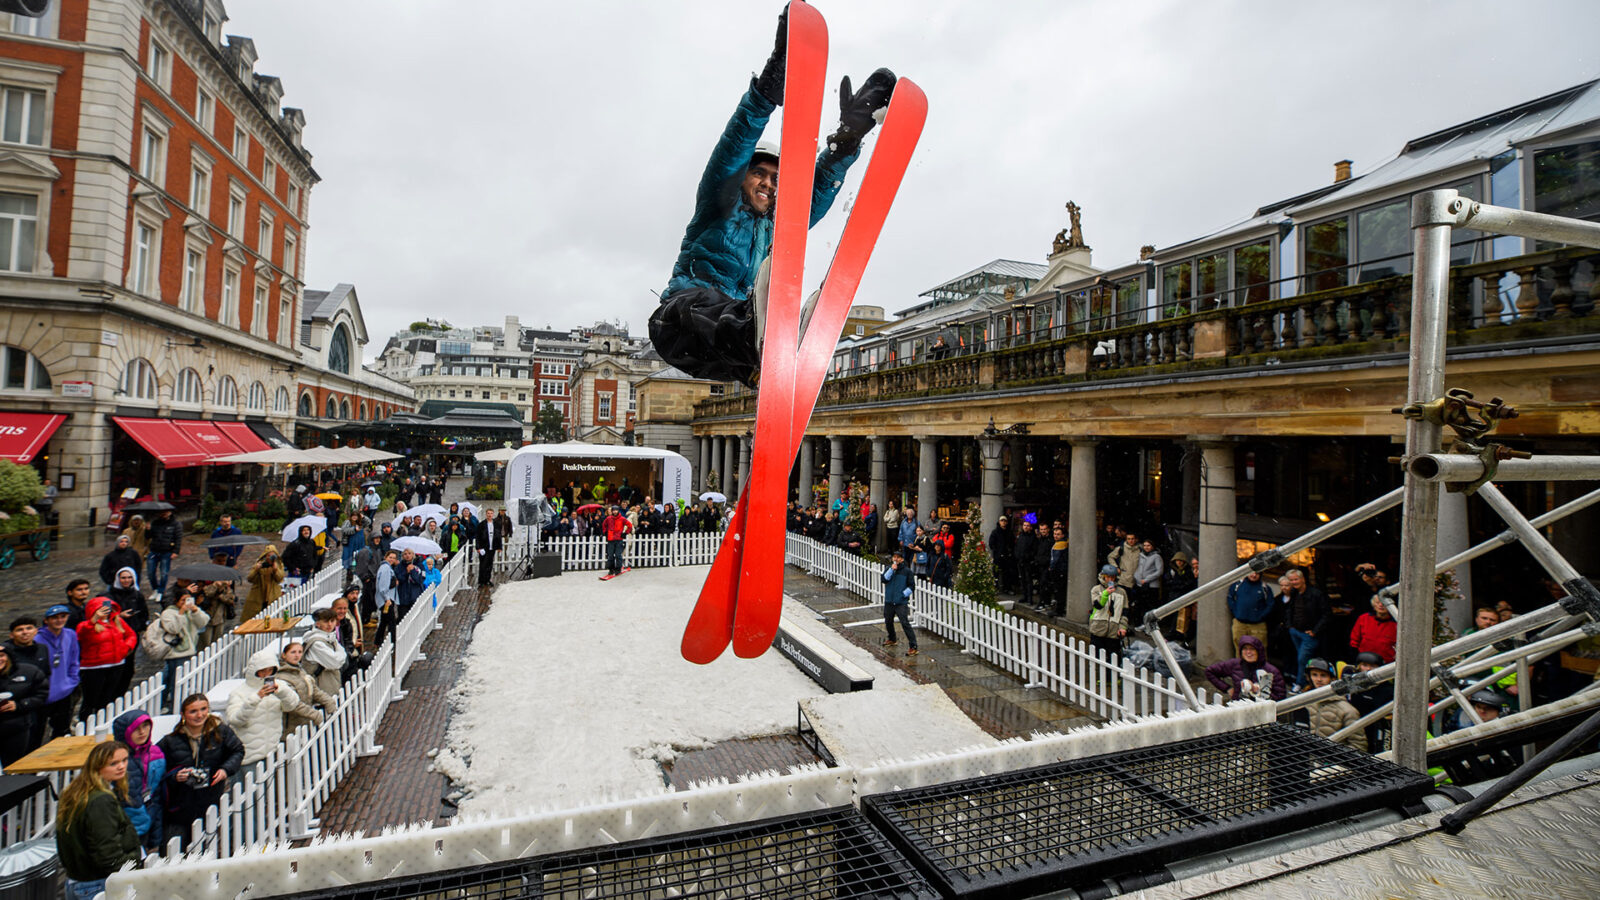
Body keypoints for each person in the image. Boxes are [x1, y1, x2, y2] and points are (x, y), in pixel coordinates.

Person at [649, 5, 892, 387]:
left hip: (728, 356)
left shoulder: (782, 225)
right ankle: (761, 332)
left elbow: (816, 188)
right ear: (744, 177)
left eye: (775, 179)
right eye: (759, 174)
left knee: (745, 341)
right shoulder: (719, 203)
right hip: (679, 328)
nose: (767, 184)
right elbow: (732, 151)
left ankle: (778, 355)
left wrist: (849, 138)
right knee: (706, 308)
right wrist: (766, 90)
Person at [55, 740, 142, 900]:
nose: (121, 766)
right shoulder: (100, 801)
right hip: (97, 884)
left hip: (76, 881)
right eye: (113, 763)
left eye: (124, 760)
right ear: (98, 767)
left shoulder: (75, 792)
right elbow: (106, 853)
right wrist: (134, 863)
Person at [157, 694, 243, 848]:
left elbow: (237, 751)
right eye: (193, 711)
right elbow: (159, 770)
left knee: (207, 843)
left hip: (211, 796)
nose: (200, 715)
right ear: (183, 715)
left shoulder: (220, 732)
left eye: (203, 709)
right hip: (180, 804)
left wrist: (225, 769)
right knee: (173, 846)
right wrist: (175, 776)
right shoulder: (171, 740)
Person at [226, 647, 301, 776]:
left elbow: (291, 705)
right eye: (262, 671)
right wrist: (256, 698)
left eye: (270, 670)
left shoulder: (279, 685)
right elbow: (235, 720)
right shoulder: (238, 693)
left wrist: (281, 692)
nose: (267, 674)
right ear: (254, 671)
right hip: (249, 756)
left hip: (272, 752)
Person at [76, 596, 137, 721]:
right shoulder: (87, 625)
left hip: (116, 664)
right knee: (91, 699)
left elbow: (131, 634)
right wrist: (94, 620)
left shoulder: (116, 621)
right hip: (94, 667)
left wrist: (126, 648)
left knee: (108, 697)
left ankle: (104, 721)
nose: (106, 611)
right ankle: (85, 722)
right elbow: (81, 634)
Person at [110, 710, 166, 847]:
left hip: (150, 816)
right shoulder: (116, 761)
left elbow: (157, 794)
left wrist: (156, 836)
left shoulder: (156, 754)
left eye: (145, 726)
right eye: (136, 729)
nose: (142, 732)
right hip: (125, 823)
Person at [152, 585, 209, 712]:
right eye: (183, 600)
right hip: (176, 653)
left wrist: (195, 611)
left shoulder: (191, 611)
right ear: (176, 600)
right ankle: (174, 707)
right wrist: (181, 613)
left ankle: (171, 705)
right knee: (174, 683)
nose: (186, 603)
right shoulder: (168, 613)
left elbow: (203, 622)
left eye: (188, 599)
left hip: (190, 650)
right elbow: (174, 628)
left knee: (176, 681)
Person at [1281, 568, 1331, 689]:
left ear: (1303, 579)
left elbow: (1327, 614)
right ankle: (1308, 683)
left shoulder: (1316, 594)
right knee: (1301, 658)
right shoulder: (1294, 593)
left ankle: (1300, 684)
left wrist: (1315, 631)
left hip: (1309, 634)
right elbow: (1289, 610)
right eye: (1291, 580)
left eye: (1296, 579)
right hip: (1295, 631)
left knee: (1302, 659)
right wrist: (1289, 626)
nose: (1294, 582)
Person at [1302, 658, 1367, 752]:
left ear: (1332, 678)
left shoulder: (1348, 711)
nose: (1319, 679)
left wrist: (1337, 760)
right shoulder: (1303, 701)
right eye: (1314, 675)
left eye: (1323, 675)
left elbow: (1359, 746)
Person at [37, 604, 81, 739]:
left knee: (62, 729)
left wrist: (72, 680)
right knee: (37, 732)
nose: (59, 620)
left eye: (63, 616)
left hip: (63, 691)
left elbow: (74, 658)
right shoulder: (37, 639)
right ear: (46, 620)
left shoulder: (70, 634)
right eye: (54, 618)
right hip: (43, 694)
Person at [0, 643, 48, 765]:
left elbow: (41, 694)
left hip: (17, 727)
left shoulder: (29, 672)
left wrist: (19, 705)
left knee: (14, 764)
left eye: (1, 655)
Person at [274, 639, 332, 736]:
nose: (297, 655)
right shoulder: (281, 677)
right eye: (293, 652)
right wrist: (313, 714)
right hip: (289, 727)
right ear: (284, 655)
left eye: (300, 652)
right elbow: (292, 703)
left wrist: (328, 701)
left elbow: (314, 690)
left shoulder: (300, 671)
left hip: (304, 724)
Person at [1204, 635, 1287, 701]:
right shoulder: (1234, 664)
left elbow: (1281, 697)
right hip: (1239, 706)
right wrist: (1227, 689)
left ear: (1259, 651)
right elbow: (1209, 671)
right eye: (1245, 649)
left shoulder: (1271, 671)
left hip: (1262, 711)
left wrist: (1257, 691)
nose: (1248, 652)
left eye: (1252, 649)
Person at [302, 607, 351, 696]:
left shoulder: (330, 637)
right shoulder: (316, 643)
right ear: (317, 623)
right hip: (321, 687)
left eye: (332, 621)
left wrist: (340, 656)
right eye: (325, 621)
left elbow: (342, 654)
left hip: (331, 684)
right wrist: (340, 656)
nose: (329, 624)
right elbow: (335, 662)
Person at [1226, 570, 1276, 653]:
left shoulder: (1265, 588)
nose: (1254, 575)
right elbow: (1230, 598)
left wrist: (1261, 616)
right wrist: (1236, 612)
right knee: (1240, 650)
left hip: (1258, 626)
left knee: (1259, 651)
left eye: (1257, 573)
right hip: (1240, 624)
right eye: (1252, 573)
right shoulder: (1237, 585)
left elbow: (1270, 604)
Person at [1086, 565, 1129, 660]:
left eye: (1112, 577)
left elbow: (1125, 612)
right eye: (1108, 577)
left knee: (1113, 658)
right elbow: (1097, 605)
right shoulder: (1096, 589)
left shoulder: (1122, 592)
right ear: (1103, 576)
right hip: (1098, 628)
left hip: (1113, 631)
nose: (1110, 579)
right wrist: (1105, 594)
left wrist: (1122, 627)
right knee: (1096, 657)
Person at [880, 550, 918, 655]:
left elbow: (912, 586)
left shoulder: (907, 571)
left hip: (900, 602)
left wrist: (903, 595)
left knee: (905, 623)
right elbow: (884, 579)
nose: (896, 559)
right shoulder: (889, 569)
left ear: (902, 559)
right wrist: (891, 570)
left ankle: (913, 645)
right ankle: (892, 638)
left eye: (898, 557)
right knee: (888, 620)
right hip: (889, 601)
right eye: (894, 557)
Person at [1350, 595, 1398, 663]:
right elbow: (1354, 641)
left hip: (1386, 665)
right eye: (1377, 602)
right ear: (1373, 605)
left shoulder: (1397, 624)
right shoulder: (1364, 618)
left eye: (1384, 603)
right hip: (1364, 662)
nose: (1381, 605)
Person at [147, 507, 183, 597]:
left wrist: (176, 551)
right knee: (150, 572)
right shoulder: (155, 523)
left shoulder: (175, 524)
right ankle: (155, 589)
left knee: (164, 573)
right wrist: (147, 530)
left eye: (166, 512)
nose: (164, 513)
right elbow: (148, 537)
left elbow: (178, 538)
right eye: (162, 512)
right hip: (154, 550)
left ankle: (161, 591)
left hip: (167, 551)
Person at [243, 545, 285, 620]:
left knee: (272, 616)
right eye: (268, 555)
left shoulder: (278, 565)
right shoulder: (259, 564)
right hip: (259, 594)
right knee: (256, 617)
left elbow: (279, 579)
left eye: (272, 556)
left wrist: (275, 570)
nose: (270, 558)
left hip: (272, 594)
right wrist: (256, 570)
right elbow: (250, 578)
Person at [373, 550, 402, 647]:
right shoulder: (385, 568)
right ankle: (393, 641)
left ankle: (378, 641)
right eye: (390, 557)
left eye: (394, 558)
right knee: (391, 621)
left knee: (384, 621)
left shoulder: (387, 567)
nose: (392, 560)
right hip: (386, 600)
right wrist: (387, 599)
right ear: (386, 557)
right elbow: (383, 587)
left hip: (385, 599)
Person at [1014, 520, 1041, 608]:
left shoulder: (1033, 537)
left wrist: (1029, 558)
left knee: (1029, 580)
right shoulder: (1020, 536)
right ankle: (1024, 596)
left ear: (1030, 527)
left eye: (1027, 525)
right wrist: (1017, 556)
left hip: (1028, 562)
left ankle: (1030, 598)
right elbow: (1017, 547)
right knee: (1022, 579)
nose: (1025, 527)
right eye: (1024, 525)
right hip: (1020, 561)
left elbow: (1034, 550)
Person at [1044, 524, 1071, 615]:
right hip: (1061, 570)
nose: (1055, 536)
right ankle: (1060, 608)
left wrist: (1051, 568)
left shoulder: (1060, 544)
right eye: (1054, 534)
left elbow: (1054, 560)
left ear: (1063, 535)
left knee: (1059, 591)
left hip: (1059, 570)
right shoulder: (1064, 542)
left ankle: (1059, 610)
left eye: (1058, 534)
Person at [1131, 539, 1163, 615]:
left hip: (1152, 586)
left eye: (1148, 545)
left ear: (1152, 546)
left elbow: (1160, 571)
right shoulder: (1140, 555)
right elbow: (1138, 568)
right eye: (1144, 545)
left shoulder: (1157, 556)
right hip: (1141, 584)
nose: (1146, 547)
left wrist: (1147, 579)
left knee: (1151, 606)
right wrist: (1136, 577)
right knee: (1141, 605)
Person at [475, 507, 504, 589]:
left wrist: (499, 547)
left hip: (493, 547)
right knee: (483, 564)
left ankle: (487, 579)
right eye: (488, 513)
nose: (489, 515)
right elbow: (478, 537)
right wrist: (478, 547)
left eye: (491, 513)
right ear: (486, 514)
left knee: (490, 564)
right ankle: (481, 581)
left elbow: (499, 536)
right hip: (484, 547)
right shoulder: (481, 525)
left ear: (493, 514)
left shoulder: (497, 524)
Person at [394, 548, 427, 617]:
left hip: (415, 595)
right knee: (402, 617)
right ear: (402, 556)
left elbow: (420, 580)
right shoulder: (399, 566)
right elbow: (400, 578)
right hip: (403, 596)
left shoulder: (420, 565)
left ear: (413, 554)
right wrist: (406, 572)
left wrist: (412, 571)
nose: (407, 556)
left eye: (409, 553)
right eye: (405, 554)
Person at [601, 504, 633, 577]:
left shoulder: (622, 519)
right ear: (612, 511)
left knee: (618, 555)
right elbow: (603, 525)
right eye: (614, 510)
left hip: (619, 539)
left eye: (616, 510)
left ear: (618, 511)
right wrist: (605, 532)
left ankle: (618, 569)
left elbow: (630, 525)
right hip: (611, 539)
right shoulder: (608, 518)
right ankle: (611, 569)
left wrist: (625, 533)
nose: (615, 512)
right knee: (610, 555)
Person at [989, 516, 1016, 594]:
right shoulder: (995, 532)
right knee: (996, 573)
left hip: (1007, 555)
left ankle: (1007, 588)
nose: (1003, 522)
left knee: (1007, 573)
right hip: (998, 556)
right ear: (999, 522)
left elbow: (1012, 543)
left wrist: (1010, 552)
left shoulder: (1009, 532)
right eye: (1002, 521)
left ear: (1007, 522)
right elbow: (991, 544)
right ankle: (995, 588)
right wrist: (998, 552)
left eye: (1005, 521)